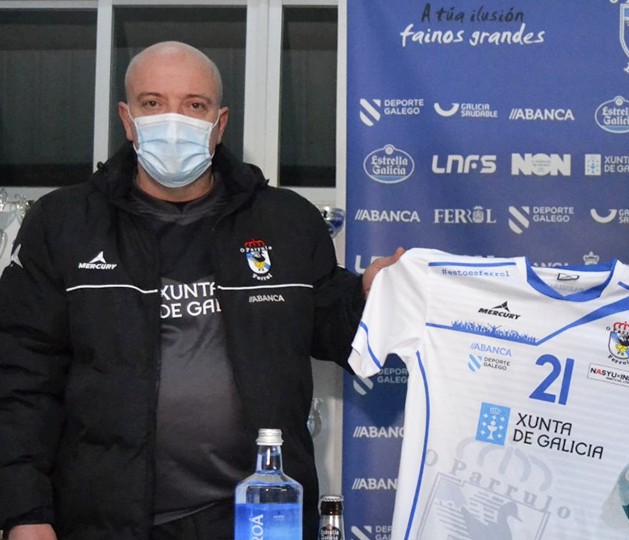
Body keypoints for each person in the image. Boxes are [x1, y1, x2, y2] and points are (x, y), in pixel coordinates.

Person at [0, 41, 401, 540]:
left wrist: (370, 292)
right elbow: (20, 378)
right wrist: (23, 512)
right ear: (127, 120)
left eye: (195, 105)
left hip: (259, 518)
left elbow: (330, 324)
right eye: (152, 103)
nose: (174, 121)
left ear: (220, 122)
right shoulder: (62, 224)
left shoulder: (286, 221)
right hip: (107, 518)